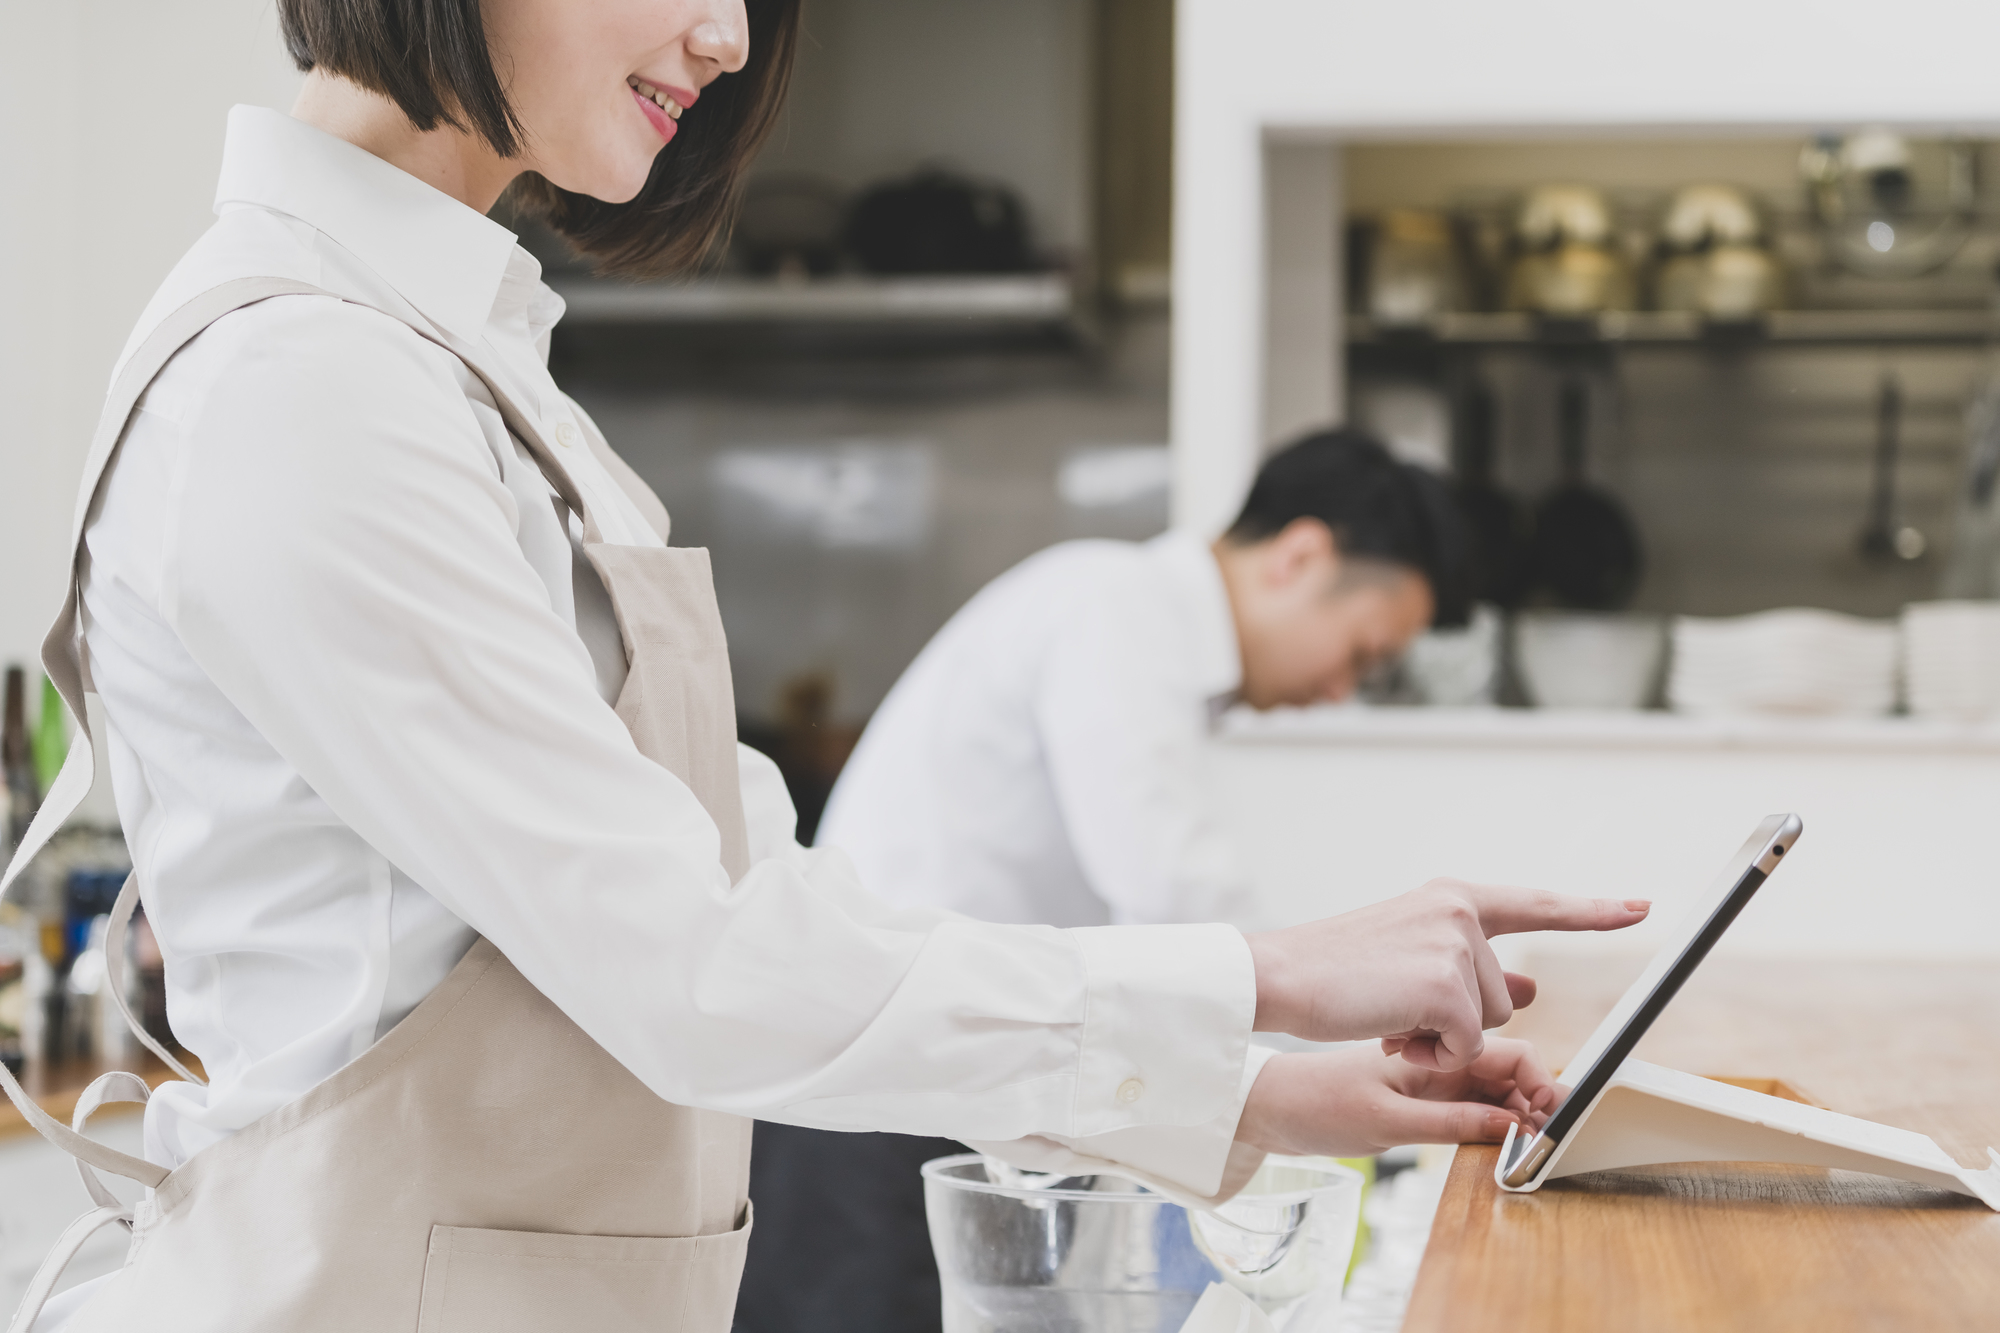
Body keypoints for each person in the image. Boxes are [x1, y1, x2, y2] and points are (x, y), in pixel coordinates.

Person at [0, 4, 1648, 1331]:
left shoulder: (455, 367)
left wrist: (1271, 1090)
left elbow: (767, 887)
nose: (727, 36)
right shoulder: (306, 382)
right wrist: (1274, 976)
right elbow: (697, 963)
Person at [741, 429, 1483, 1331]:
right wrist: (1346, 1069)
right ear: (1300, 555)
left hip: (950, 1063)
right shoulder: (1118, 607)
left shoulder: (1125, 616)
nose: (1340, 691)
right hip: (883, 1081)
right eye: (1362, 653)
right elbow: (1173, 891)